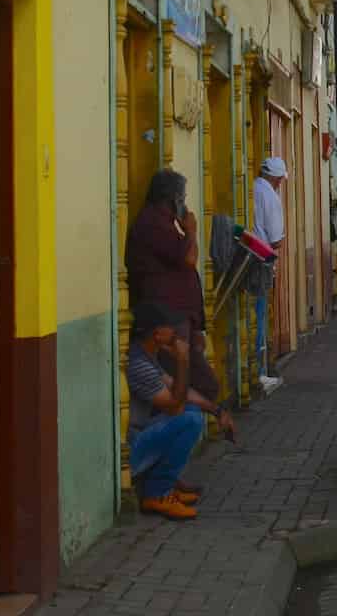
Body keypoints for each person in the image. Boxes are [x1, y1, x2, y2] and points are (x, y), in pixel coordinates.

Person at [125, 301, 236, 520]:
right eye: (169, 328)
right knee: (190, 419)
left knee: (193, 411)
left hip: (141, 437)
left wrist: (217, 410)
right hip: (131, 453)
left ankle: (162, 485)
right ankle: (158, 493)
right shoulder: (137, 363)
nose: (175, 333)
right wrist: (183, 359)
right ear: (156, 333)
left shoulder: (146, 355)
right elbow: (175, 404)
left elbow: (181, 392)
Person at [124, 169, 222, 407]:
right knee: (200, 385)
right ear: (172, 199)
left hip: (178, 317)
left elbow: (190, 258)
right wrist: (191, 231)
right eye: (182, 198)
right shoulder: (152, 223)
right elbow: (188, 259)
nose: (184, 203)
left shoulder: (166, 224)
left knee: (194, 382)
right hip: (166, 317)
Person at [252, 156, 288, 393]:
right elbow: (275, 239)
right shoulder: (271, 197)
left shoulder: (253, 187)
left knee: (252, 315)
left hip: (246, 257)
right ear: (276, 178)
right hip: (261, 260)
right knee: (261, 316)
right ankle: (261, 373)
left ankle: (256, 370)